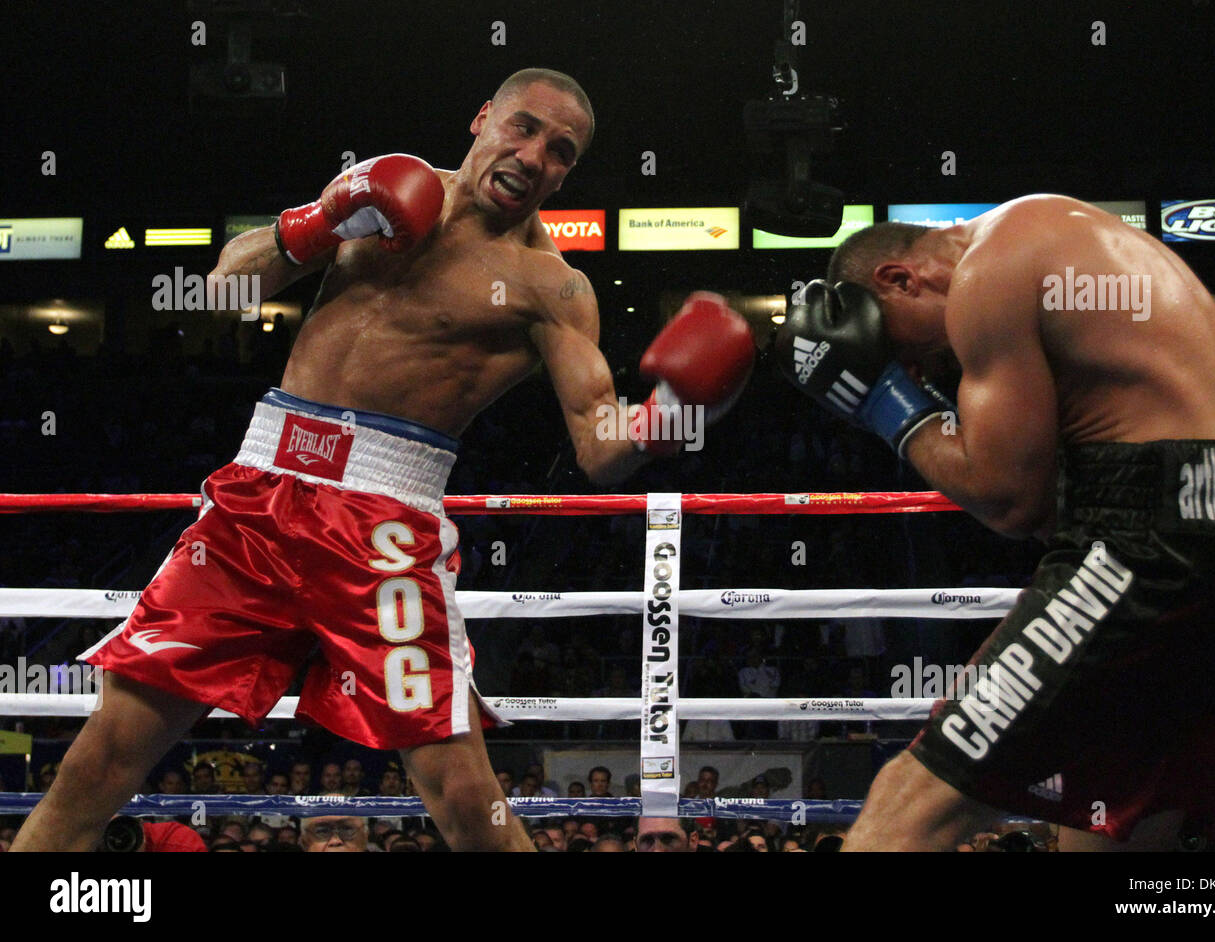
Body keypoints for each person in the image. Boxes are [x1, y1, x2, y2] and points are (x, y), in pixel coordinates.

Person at [13, 68, 754, 853]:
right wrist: (317, 222)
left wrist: (680, 411)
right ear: (482, 119)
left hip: (384, 524)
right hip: (257, 497)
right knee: (98, 763)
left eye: (561, 151)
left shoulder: (553, 287)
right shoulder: (381, 192)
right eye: (525, 128)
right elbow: (219, 294)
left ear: (569, 172)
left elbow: (601, 448)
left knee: (465, 796)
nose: (535, 156)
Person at [776, 194, 1215, 851]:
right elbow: (1061, 498)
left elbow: (1010, 501)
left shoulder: (987, 272)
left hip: (1146, 542)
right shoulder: (1066, 234)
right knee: (1113, 825)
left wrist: (882, 399)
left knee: (912, 801)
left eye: (898, 350)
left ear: (900, 279)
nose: (919, 371)